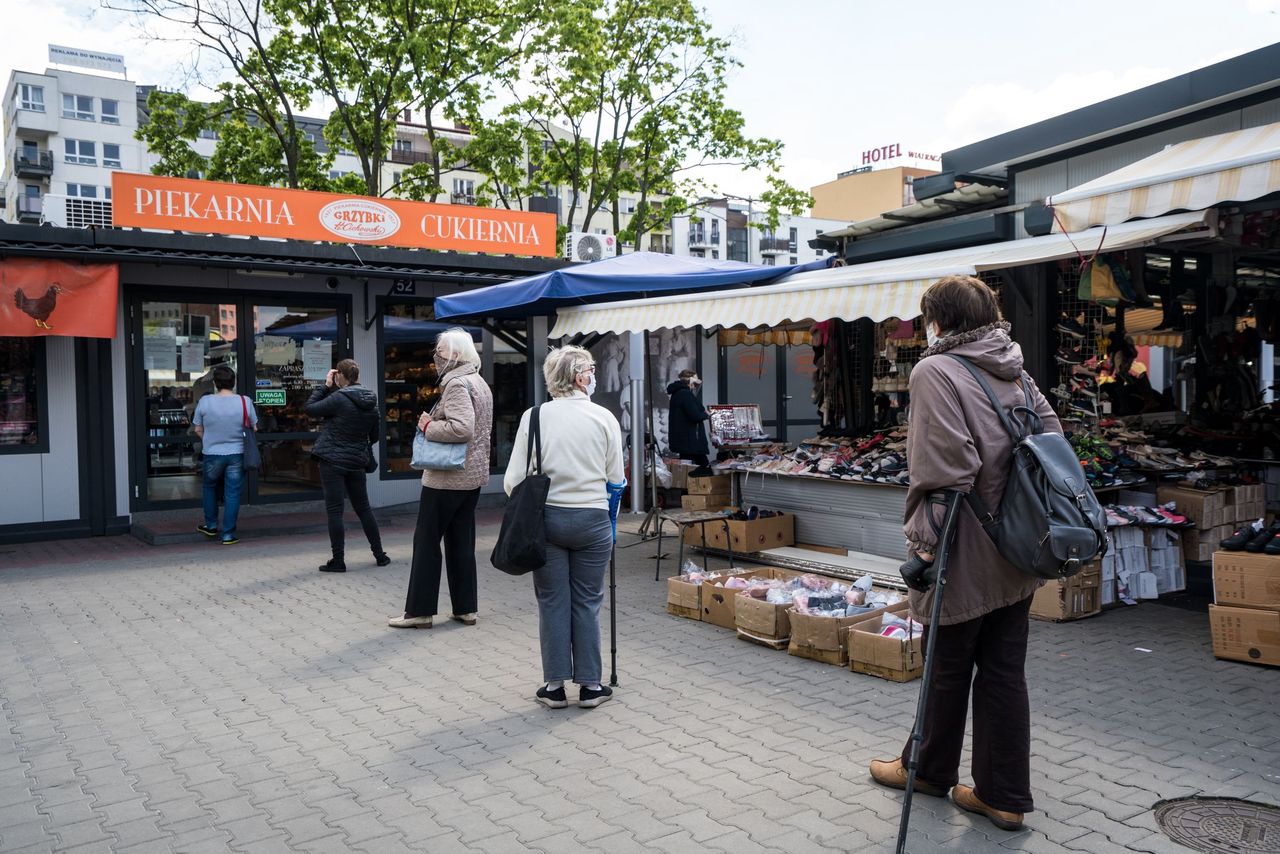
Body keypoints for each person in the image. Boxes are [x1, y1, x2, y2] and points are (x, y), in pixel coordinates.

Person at [869, 276, 1059, 832]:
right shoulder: (1014, 366)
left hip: (965, 542)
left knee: (945, 665)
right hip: (1020, 543)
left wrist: (924, 551)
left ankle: (925, 770)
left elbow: (945, 471)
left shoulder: (935, 370)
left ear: (939, 320)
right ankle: (1004, 796)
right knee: (1003, 670)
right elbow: (1051, 436)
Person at [504, 345, 624, 710]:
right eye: (591, 369)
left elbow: (513, 481)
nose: (594, 376)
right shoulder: (604, 417)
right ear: (579, 376)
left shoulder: (534, 417)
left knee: (552, 601)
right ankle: (590, 686)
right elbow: (616, 478)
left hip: (548, 521)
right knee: (587, 602)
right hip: (592, 520)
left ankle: (554, 686)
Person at [390, 329, 493, 628]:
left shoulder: (457, 385)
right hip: (471, 476)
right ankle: (465, 608)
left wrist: (428, 427)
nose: (436, 358)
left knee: (426, 542)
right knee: (461, 542)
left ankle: (420, 611)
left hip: (446, 478)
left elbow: (463, 429)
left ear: (456, 356)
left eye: (441, 352)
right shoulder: (479, 382)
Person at [305, 358, 388, 573]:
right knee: (363, 508)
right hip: (356, 461)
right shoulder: (371, 399)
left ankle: (338, 561)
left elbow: (310, 408)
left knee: (335, 511)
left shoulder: (339, 398)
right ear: (357, 375)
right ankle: (380, 555)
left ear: (339, 375)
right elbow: (375, 436)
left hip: (332, 461)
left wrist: (325, 386)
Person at [192, 365, 256, 545]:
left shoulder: (205, 402)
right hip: (237, 453)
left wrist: (209, 440)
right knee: (233, 494)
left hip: (212, 453)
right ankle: (228, 534)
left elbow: (198, 428)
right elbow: (254, 426)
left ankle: (211, 525)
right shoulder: (245, 401)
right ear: (234, 382)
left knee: (209, 488)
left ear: (215, 383)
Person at [667, 368, 711, 467]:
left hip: (684, 440)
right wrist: (706, 415)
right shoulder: (686, 394)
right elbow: (694, 416)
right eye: (695, 383)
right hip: (691, 440)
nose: (695, 387)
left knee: (687, 467)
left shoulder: (677, 393)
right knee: (703, 466)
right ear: (689, 381)